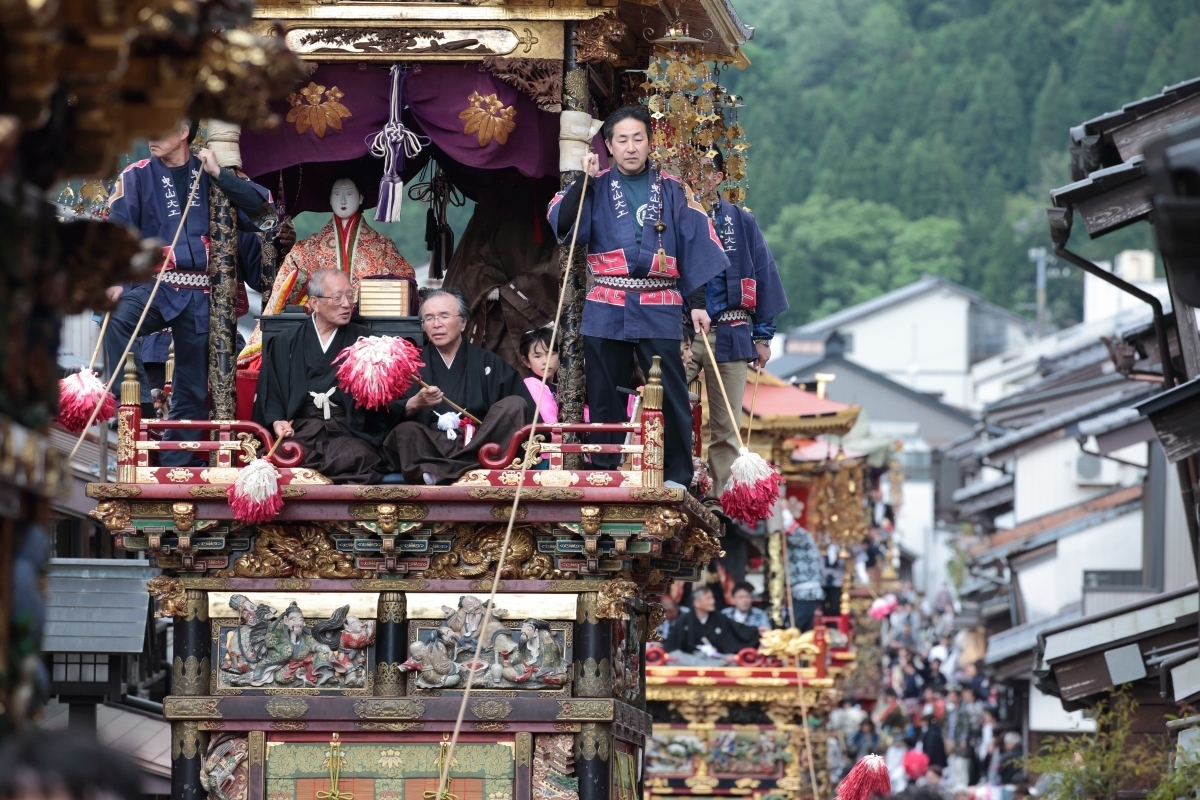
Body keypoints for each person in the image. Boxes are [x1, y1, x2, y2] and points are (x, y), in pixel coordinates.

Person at [547, 105, 729, 488]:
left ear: (650, 143)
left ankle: (675, 474)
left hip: (659, 302)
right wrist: (584, 180)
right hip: (606, 301)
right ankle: (606, 469)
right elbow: (563, 222)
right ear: (609, 146)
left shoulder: (674, 189)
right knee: (603, 391)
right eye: (622, 140)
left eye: (638, 138)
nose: (631, 147)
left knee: (670, 390)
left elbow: (695, 245)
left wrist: (697, 304)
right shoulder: (593, 184)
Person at [105, 120, 274, 464]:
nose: (151, 136)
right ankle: (134, 407)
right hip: (159, 287)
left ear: (183, 131)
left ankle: (177, 465)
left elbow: (263, 213)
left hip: (204, 295)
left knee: (193, 389)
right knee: (119, 317)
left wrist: (221, 174)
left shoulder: (209, 169)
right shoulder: (136, 176)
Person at [686, 150, 788, 494]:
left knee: (726, 424)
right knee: (663, 405)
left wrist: (763, 336)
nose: (695, 178)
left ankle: (716, 496)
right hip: (682, 332)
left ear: (717, 178)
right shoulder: (673, 214)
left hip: (731, 330)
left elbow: (764, 274)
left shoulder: (741, 221)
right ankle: (672, 481)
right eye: (688, 170)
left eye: (702, 172)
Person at [240, 177, 417, 367]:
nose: (342, 201)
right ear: (329, 200)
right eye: (336, 194)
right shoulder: (306, 249)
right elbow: (283, 291)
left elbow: (406, 281)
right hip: (318, 333)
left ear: (361, 198)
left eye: (349, 194)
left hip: (370, 338)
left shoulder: (383, 247)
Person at [383, 290, 535, 484]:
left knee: (515, 404)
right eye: (429, 318)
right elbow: (382, 419)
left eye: (444, 316)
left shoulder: (488, 362)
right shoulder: (409, 365)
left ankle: (442, 470)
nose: (436, 324)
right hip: (433, 445)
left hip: (479, 441)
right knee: (406, 432)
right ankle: (468, 467)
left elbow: (523, 414)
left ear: (463, 322)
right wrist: (413, 404)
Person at [254, 268, 391, 483]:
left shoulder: (365, 340)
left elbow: (377, 397)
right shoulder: (286, 341)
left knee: (361, 457)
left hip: (345, 426)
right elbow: (272, 391)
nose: (347, 304)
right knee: (282, 456)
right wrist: (277, 421)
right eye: (337, 297)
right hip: (300, 426)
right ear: (314, 303)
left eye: (350, 296)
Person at [662, 585, 759, 665]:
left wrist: (757, 630)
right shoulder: (685, 620)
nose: (712, 601)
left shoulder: (719, 617)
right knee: (674, 657)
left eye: (712, 598)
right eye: (708, 599)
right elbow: (671, 643)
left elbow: (738, 629)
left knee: (733, 660)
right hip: (692, 659)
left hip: (717, 659)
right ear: (697, 603)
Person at [785, 513, 825, 631]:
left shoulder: (803, 538)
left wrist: (782, 510)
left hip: (807, 593)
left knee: (794, 629)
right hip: (798, 594)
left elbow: (789, 526)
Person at [520, 326, 563, 424]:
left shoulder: (560, 384)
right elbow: (550, 422)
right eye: (537, 356)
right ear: (526, 361)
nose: (546, 361)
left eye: (551, 354)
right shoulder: (532, 384)